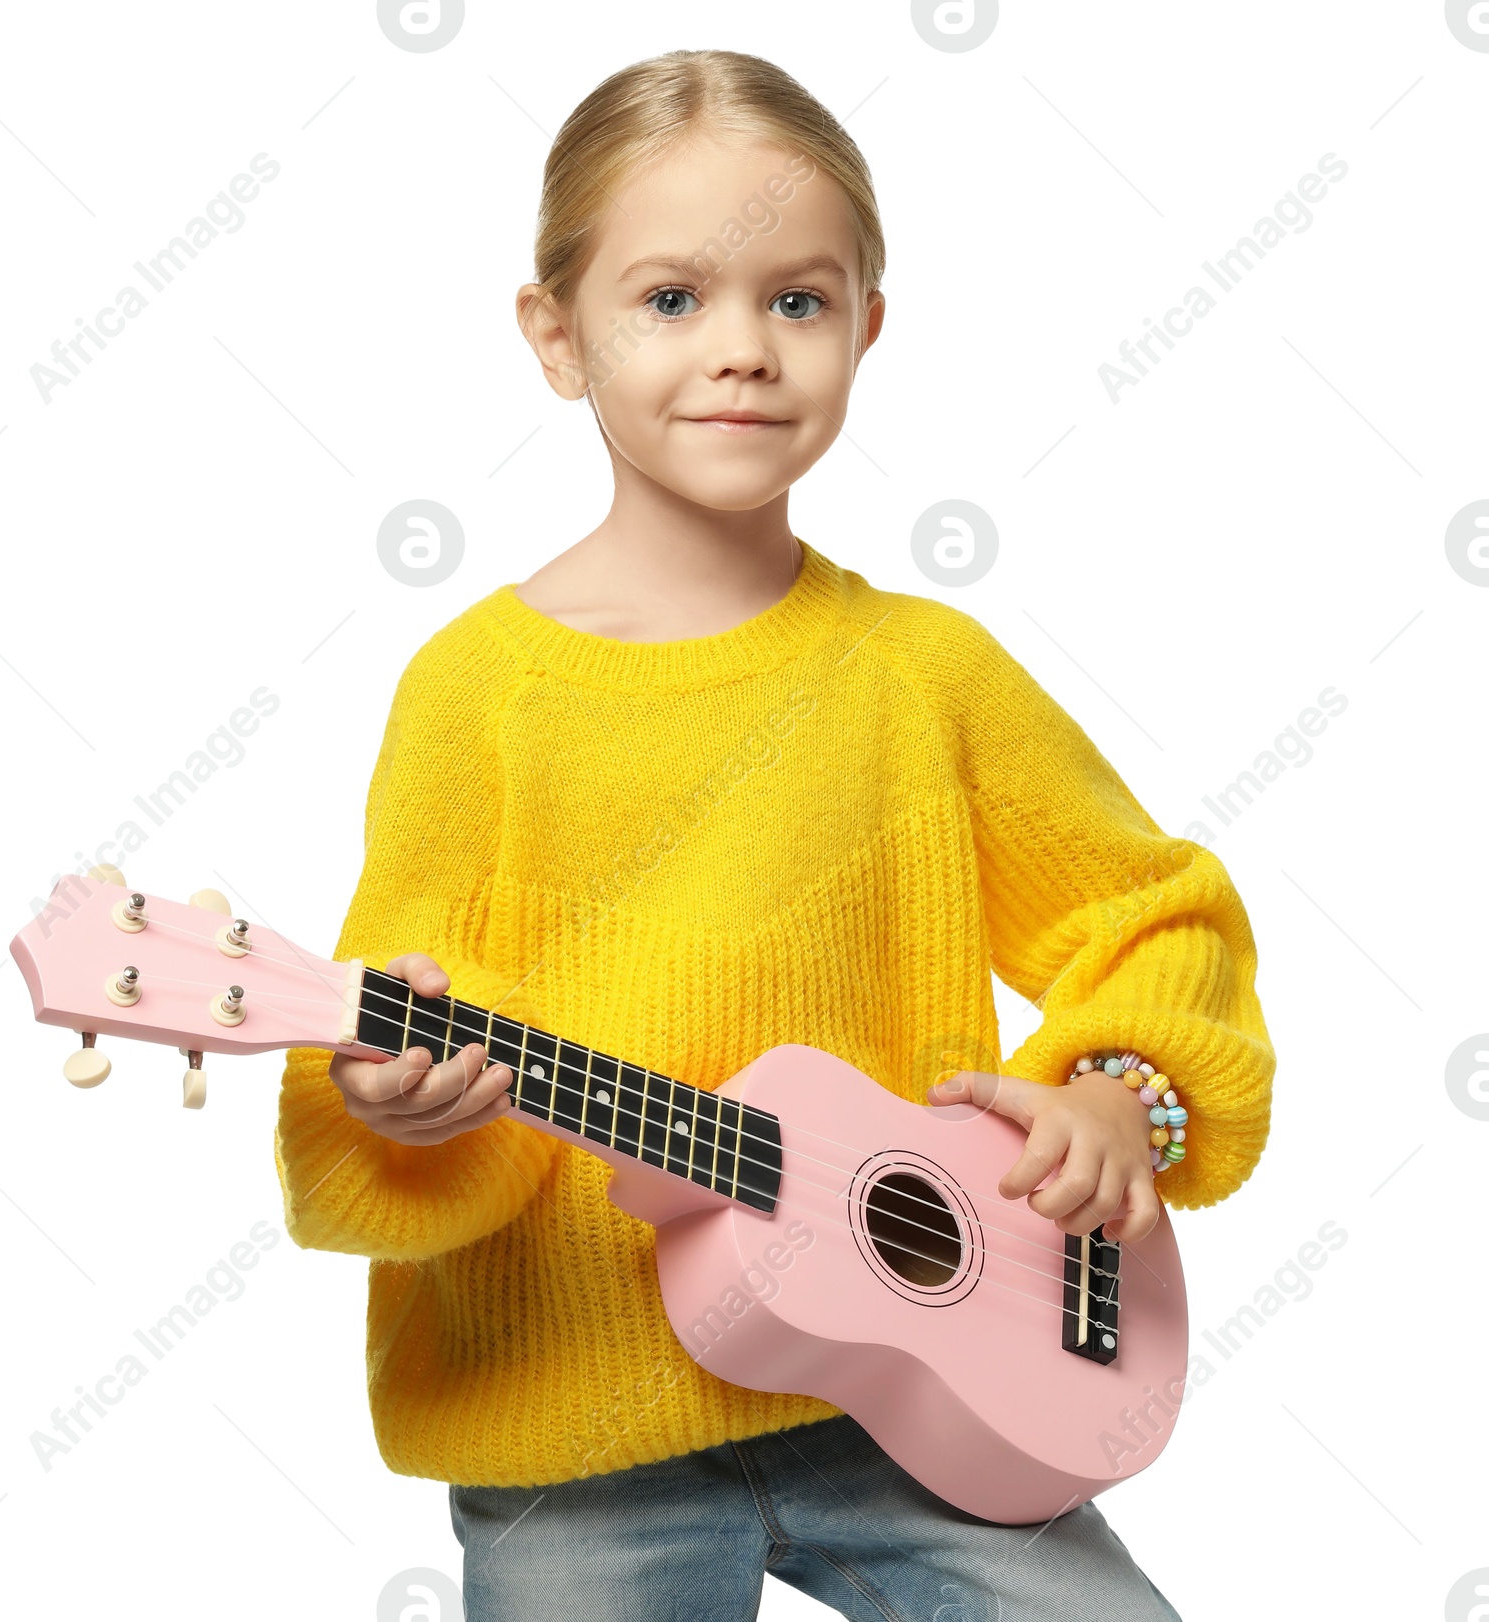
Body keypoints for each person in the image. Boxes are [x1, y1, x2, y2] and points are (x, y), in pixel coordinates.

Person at [273, 48, 1273, 1621]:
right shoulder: (477, 692)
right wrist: (393, 1112)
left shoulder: (922, 673)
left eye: (797, 301)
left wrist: (1117, 1093)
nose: (742, 350)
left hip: (934, 1395)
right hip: (575, 1437)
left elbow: (1158, 912)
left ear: (868, 325)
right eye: (671, 298)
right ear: (555, 334)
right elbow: (389, 1020)